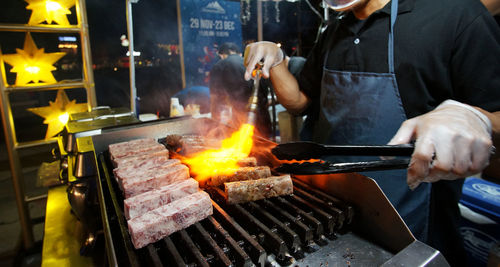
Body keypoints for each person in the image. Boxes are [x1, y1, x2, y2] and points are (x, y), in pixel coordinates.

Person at [243, 0, 500, 265]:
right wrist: (276, 61)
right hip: (330, 218)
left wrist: (478, 118)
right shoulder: (334, 31)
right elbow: (300, 101)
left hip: (411, 227)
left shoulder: (455, 14)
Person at [209, 42, 272, 138]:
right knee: (265, 147)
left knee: (245, 148)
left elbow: (215, 98)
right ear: (240, 54)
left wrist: (215, 122)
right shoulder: (254, 64)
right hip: (263, 116)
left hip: (242, 118)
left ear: (221, 55)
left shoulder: (219, 66)